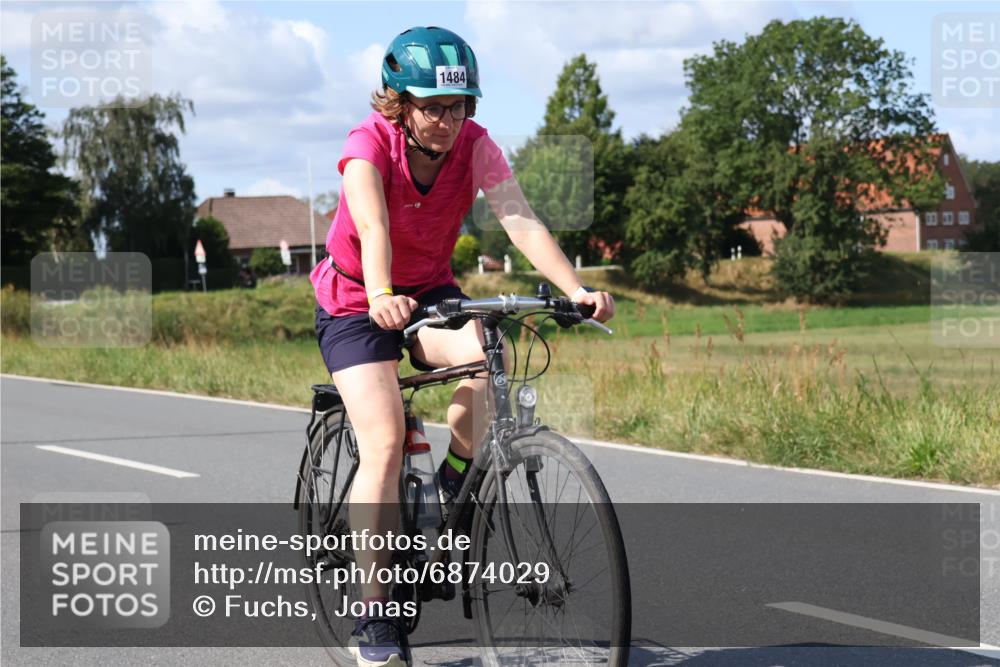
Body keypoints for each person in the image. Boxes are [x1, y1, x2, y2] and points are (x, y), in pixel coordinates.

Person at [309, 26, 615, 667]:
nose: (447, 121)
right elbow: (370, 226)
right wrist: (381, 292)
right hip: (356, 300)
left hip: (430, 293)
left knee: (490, 362)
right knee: (386, 441)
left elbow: (519, 218)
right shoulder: (368, 144)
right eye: (432, 106)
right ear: (399, 101)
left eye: (458, 106)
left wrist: (575, 288)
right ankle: (374, 614)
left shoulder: (475, 147)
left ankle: (452, 487)